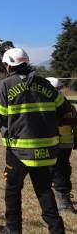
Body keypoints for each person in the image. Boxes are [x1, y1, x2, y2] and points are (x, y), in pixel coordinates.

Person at [0, 48, 71, 234]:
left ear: (8, 65)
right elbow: (64, 108)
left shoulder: (4, 86)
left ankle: (13, 229)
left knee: (13, 189)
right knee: (44, 190)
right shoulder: (45, 84)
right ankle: (56, 229)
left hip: (18, 151)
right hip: (46, 149)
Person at [47, 77, 77, 213]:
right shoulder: (68, 105)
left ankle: (63, 200)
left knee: (59, 169)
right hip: (63, 143)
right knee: (59, 169)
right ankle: (60, 197)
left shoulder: (49, 106)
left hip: (59, 143)